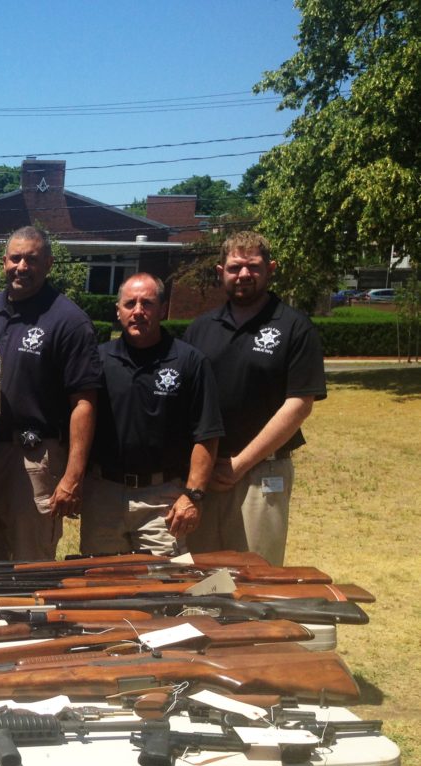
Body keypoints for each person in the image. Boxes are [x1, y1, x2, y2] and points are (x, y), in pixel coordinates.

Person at [182, 231, 326, 565]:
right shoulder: (200, 329)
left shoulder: (295, 327)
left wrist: (240, 464)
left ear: (270, 269)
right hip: (204, 473)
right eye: (234, 267)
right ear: (220, 272)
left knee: (255, 574)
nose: (243, 274)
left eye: (253, 266)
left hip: (262, 472)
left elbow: (299, 405)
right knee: (200, 574)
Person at [0, 227, 102, 561]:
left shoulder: (68, 320)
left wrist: (72, 476)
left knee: (30, 560)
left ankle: (30, 614)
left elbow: (84, 403)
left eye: (32, 259)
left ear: (49, 264)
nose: (22, 266)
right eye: (16, 258)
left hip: (33, 458)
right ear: (4, 262)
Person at [80, 274, 223, 556]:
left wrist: (193, 496)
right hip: (103, 495)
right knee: (100, 584)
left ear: (162, 309)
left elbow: (206, 434)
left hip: (163, 500)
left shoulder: (189, 361)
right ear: (118, 310)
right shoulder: (98, 360)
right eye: (130, 303)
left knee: (165, 588)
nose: (138, 311)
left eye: (147, 303)